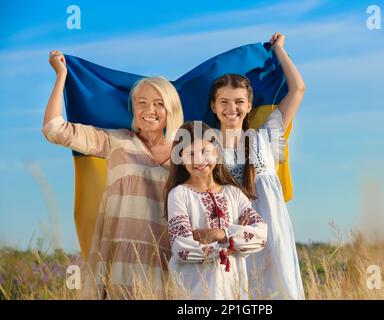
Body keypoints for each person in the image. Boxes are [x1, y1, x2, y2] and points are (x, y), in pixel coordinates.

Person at [42, 50, 184, 299]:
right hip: (119, 262)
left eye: (158, 103)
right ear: (133, 109)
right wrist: (61, 75)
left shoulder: (187, 154)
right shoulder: (116, 141)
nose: (149, 109)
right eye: (141, 102)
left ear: (171, 109)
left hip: (169, 262)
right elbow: (54, 129)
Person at [209, 33, 306, 299]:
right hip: (232, 233)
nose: (232, 108)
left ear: (249, 105)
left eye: (239, 101)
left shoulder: (266, 137)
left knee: (276, 291)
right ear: (213, 107)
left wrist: (279, 50)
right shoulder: (207, 148)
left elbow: (298, 89)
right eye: (224, 102)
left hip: (272, 230)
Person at [164, 121, 267, 299]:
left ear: (217, 153)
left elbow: (261, 236)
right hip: (194, 290)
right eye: (190, 154)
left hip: (232, 288)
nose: (199, 160)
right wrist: (229, 247)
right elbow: (182, 248)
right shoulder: (179, 194)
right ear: (180, 158)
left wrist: (220, 234)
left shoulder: (234, 194)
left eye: (205, 151)